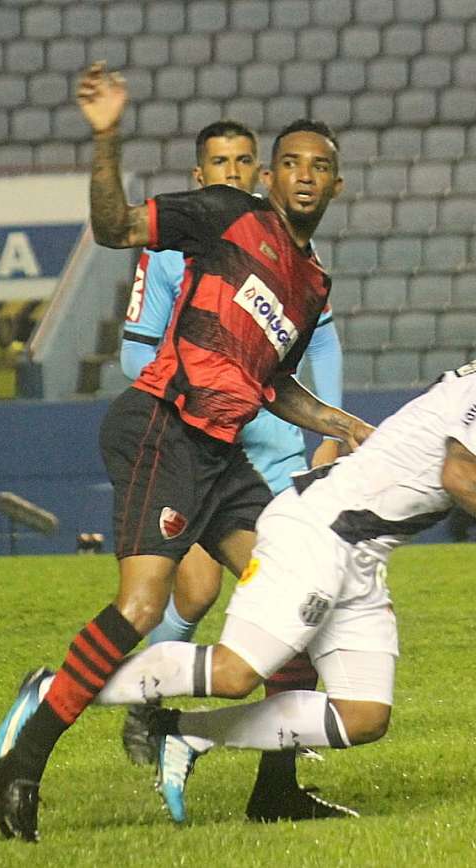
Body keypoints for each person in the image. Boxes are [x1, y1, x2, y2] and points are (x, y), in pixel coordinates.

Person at [0, 62, 373, 842]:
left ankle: (276, 790)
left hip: (220, 451)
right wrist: (107, 137)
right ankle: (20, 764)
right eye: (290, 163)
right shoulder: (227, 215)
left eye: (319, 166)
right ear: (269, 177)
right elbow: (115, 227)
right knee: (140, 607)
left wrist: (341, 423)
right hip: (164, 423)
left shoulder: (312, 282)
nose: (304, 175)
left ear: (337, 185)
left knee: (295, 595)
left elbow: (273, 382)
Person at [85, 335, 476, 824]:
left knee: (363, 716)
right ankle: (67, 688)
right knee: (233, 673)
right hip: (319, 533)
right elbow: (461, 477)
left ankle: (187, 733)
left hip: (361, 556)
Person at [117, 119, 346, 815]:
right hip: (195, 439)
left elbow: (316, 350)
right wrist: (216, 388)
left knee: (298, 602)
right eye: (220, 162)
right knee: (194, 591)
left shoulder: (293, 258)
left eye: (243, 161)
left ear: (259, 173)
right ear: (199, 175)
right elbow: (136, 351)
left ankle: (277, 774)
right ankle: (143, 702)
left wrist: (333, 432)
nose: (232, 173)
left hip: (270, 452)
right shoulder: (176, 249)